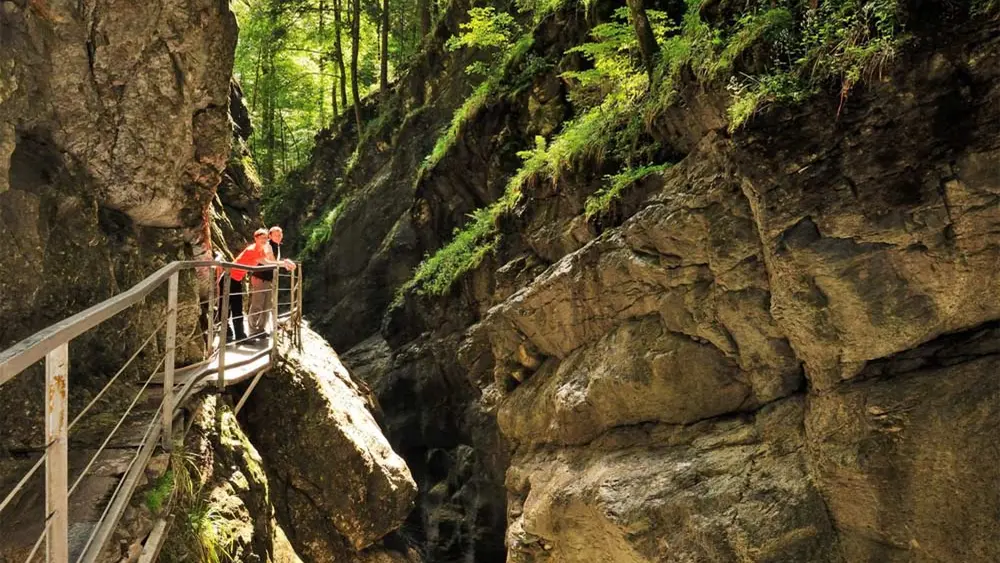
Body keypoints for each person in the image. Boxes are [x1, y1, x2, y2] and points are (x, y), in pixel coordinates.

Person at [233, 228, 275, 342]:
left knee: (237, 308)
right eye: (262, 238)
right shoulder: (253, 250)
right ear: (255, 238)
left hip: (237, 278)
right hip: (231, 277)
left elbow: (268, 260)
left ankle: (245, 334)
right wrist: (283, 263)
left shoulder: (261, 249)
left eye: (266, 238)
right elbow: (267, 262)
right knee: (236, 307)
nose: (264, 240)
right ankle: (246, 333)